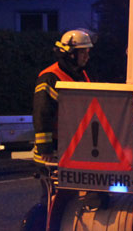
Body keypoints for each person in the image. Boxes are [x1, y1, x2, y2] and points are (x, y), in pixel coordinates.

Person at [32, 29, 93, 165]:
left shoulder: (80, 75)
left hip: (73, 147)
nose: (86, 57)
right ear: (70, 54)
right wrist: (45, 149)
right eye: (83, 52)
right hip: (53, 150)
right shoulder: (50, 77)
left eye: (87, 52)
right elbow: (42, 114)